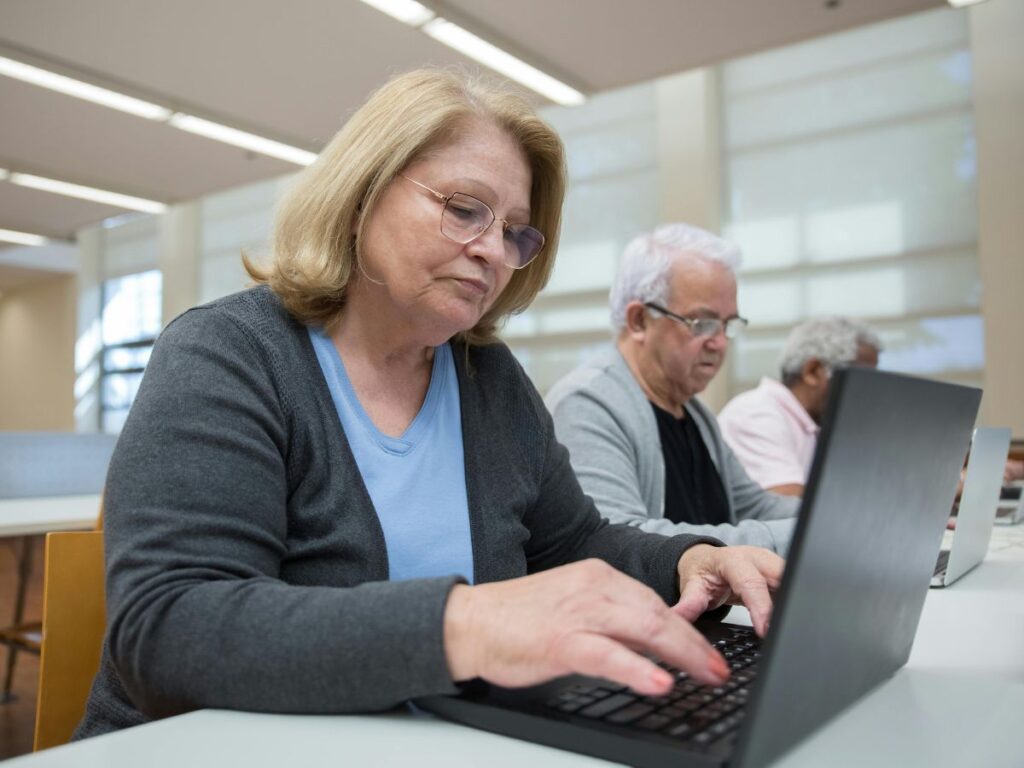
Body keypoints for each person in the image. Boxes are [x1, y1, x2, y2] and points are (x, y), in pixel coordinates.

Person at [76, 70, 784, 739]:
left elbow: (572, 546)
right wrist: (468, 625)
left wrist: (690, 561)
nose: (493, 253)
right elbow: (169, 629)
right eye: (464, 210)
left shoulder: (489, 378)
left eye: (514, 232)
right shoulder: (231, 353)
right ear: (361, 195)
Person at [546, 224, 799, 556]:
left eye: (727, 324)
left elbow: (756, 507)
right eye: (702, 323)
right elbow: (622, 541)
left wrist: (832, 518)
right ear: (639, 320)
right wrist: (787, 537)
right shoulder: (586, 405)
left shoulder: (694, 412)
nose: (720, 342)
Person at [718, 317, 882, 496]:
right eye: (860, 381)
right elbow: (785, 505)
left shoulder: (819, 425)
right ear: (813, 371)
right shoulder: (754, 414)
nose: (867, 394)